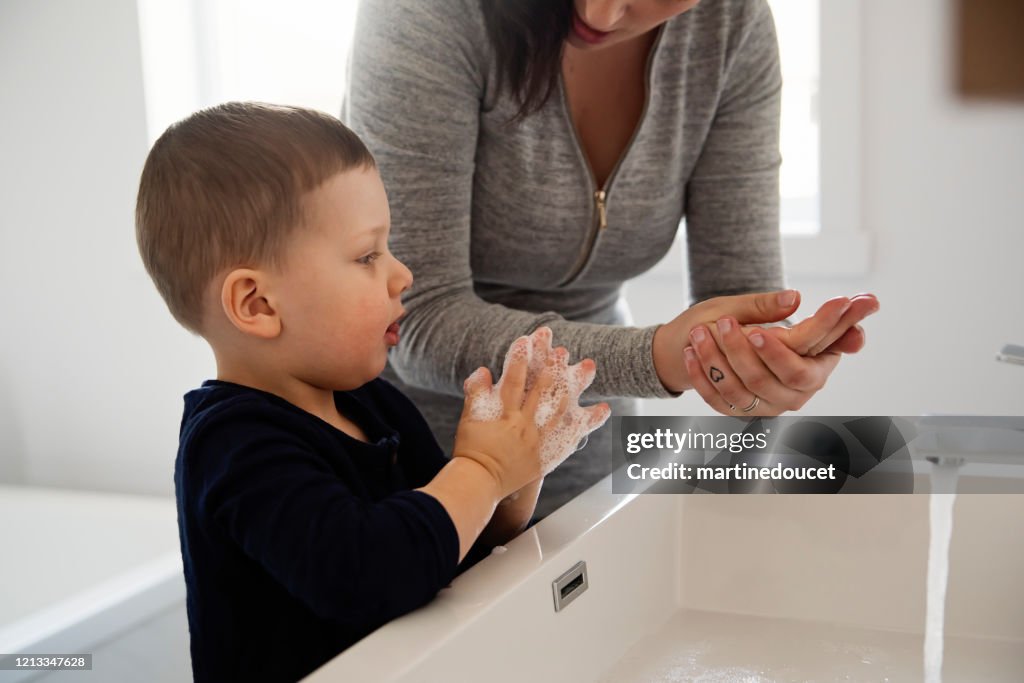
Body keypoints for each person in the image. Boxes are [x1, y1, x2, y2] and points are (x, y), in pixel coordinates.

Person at [344, 0, 880, 519]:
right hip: (392, 451)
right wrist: (657, 357)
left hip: (586, 444)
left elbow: (741, 302)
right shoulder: (428, 11)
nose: (598, 14)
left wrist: (762, 367)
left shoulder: (731, 27)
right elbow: (417, 314)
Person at [134, 102, 607, 682]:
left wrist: (513, 478)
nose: (402, 273)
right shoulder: (233, 448)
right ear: (258, 305)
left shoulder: (375, 403)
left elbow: (446, 552)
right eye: (366, 255)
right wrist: (480, 469)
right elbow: (371, 576)